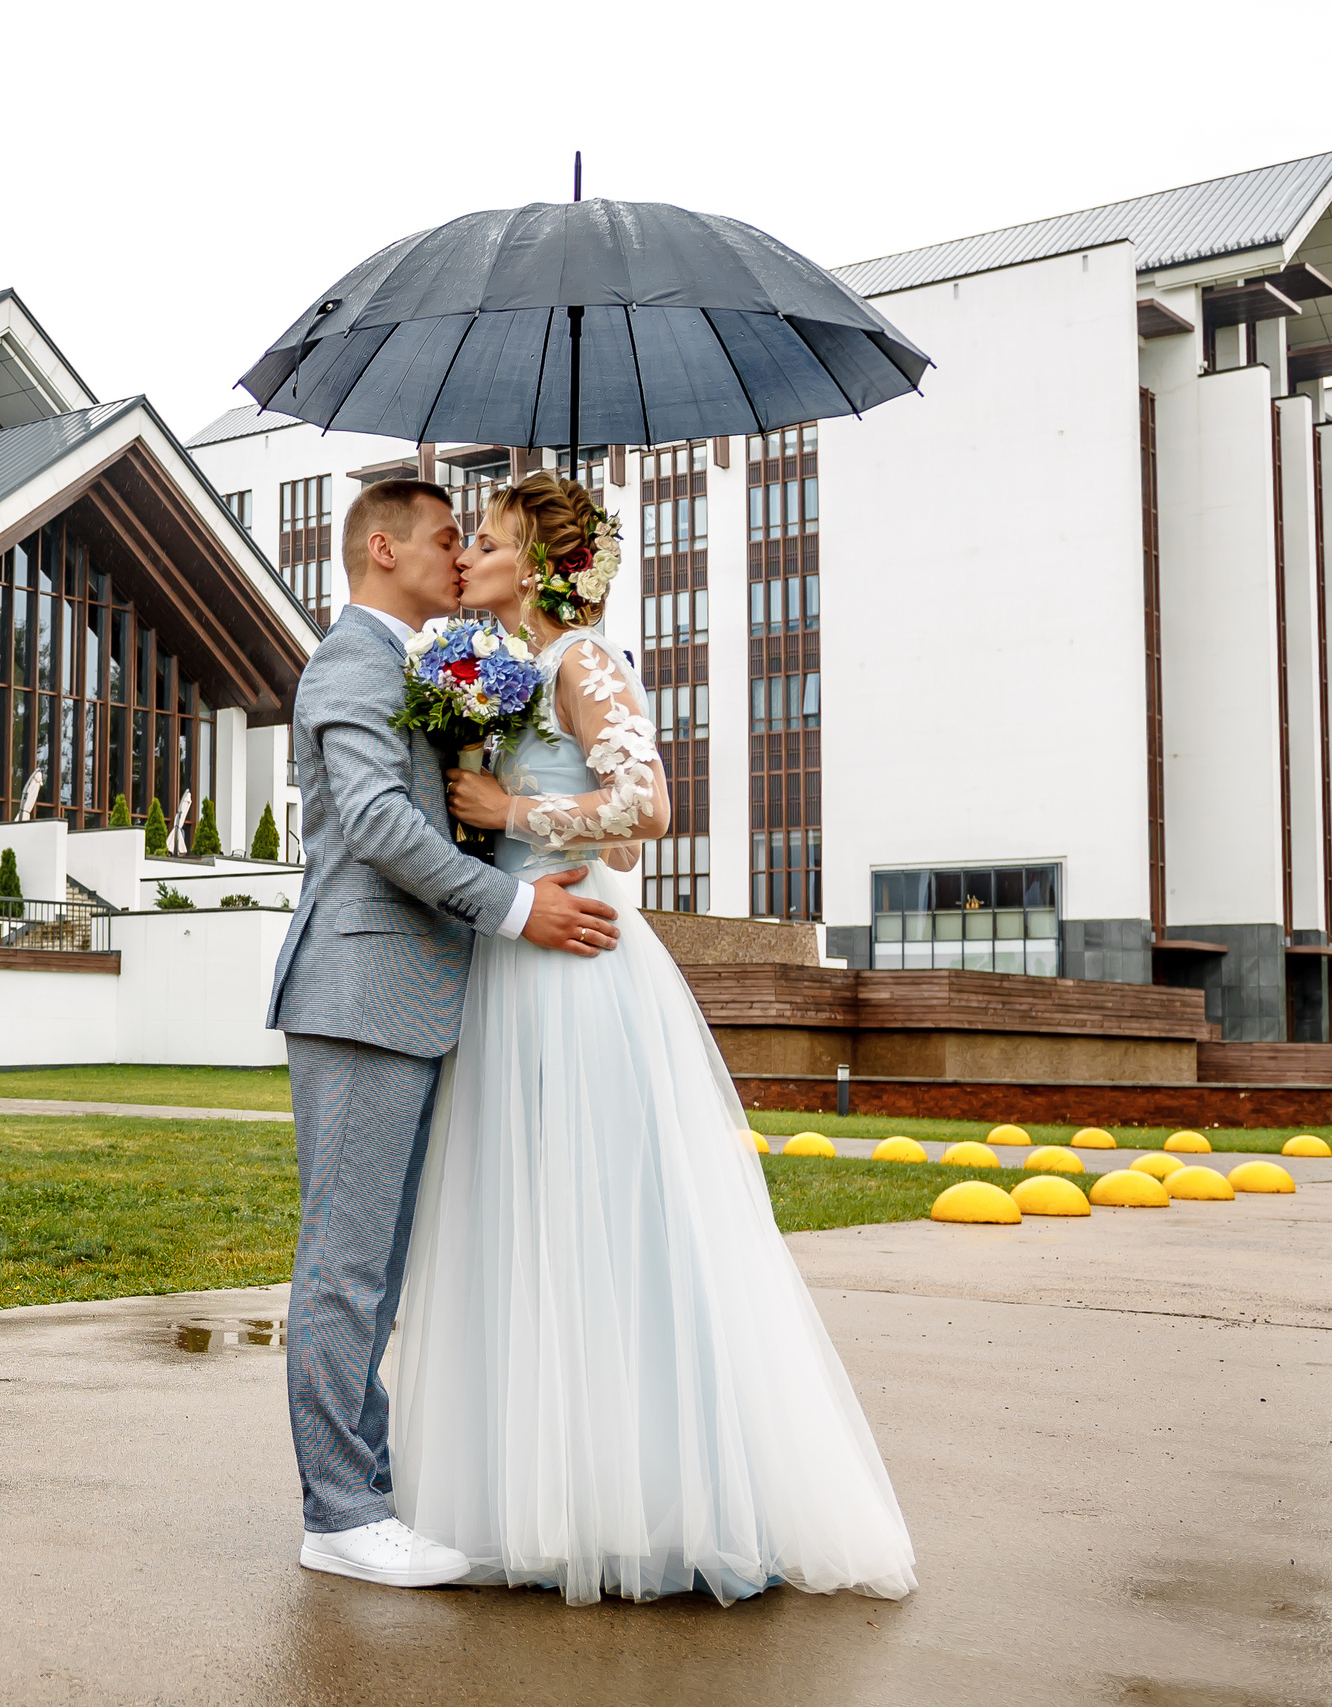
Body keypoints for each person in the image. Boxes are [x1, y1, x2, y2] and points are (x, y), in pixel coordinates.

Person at [393, 471, 917, 1605]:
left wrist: (511, 815)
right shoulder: (499, 671)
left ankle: (648, 1495)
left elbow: (650, 811)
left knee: (605, 1219)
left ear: (534, 562)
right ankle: (539, 1495)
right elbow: (615, 840)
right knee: (520, 1218)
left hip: (578, 976)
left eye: (482, 540)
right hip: (514, 957)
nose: (465, 554)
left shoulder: (583, 659)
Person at [265, 478, 621, 1589]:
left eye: (476, 539)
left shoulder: (411, 664)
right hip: (362, 988)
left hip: (414, 996)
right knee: (345, 1267)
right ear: (382, 547)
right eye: (442, 537)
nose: (459, 554)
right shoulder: (352, 662)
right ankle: (340, 1513)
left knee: (377, 1267)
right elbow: (373, 822)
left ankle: (360, 1488)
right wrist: (516, 905)